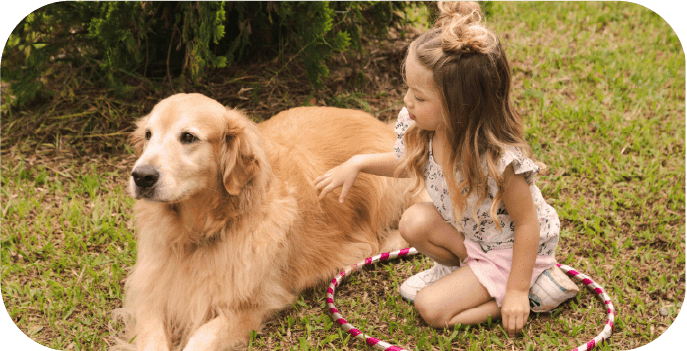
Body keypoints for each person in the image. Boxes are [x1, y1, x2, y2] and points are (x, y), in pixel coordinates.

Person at [314, 1, 577, 337]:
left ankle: (534, 291)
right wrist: (359, 163)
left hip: (511, 252)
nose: (408, 101)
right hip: (475, 240)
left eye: (420, 97)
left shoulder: (498, 161)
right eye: (408, 88)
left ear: (460, 106)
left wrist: (516, 292)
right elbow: (407, 164)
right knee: (413, 221)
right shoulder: (428, 131)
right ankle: (467, 275)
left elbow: (528, 225)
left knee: (430, 308)